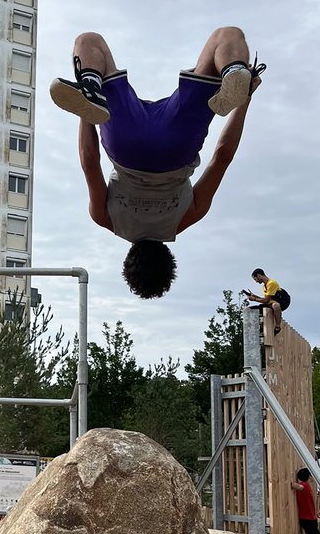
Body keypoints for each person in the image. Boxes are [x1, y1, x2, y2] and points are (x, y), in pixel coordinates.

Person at [50, 26, 265, 299]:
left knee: (227, 36)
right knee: (89, 41)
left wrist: (244, 99)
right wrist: (87, 112)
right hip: (126, 144)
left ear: (169, 261)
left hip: (177, 145)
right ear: (128, 259)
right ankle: (91, 88)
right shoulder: (105, 218)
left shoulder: (188, 217)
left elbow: (223, 156)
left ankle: (234, 71)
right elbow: (89, 160)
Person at [243, 268, 291, 335]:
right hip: (272, 303)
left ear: (259, 275)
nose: (256, 281)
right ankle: (259, 328)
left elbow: (266, 300)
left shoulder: (271, 283)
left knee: (275, 305)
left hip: (283, 302)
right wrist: (254, 296)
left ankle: (278, 327)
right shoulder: (264, 287)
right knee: (250, 309)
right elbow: (266, 300)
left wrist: (254, 299)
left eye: (255, 279)